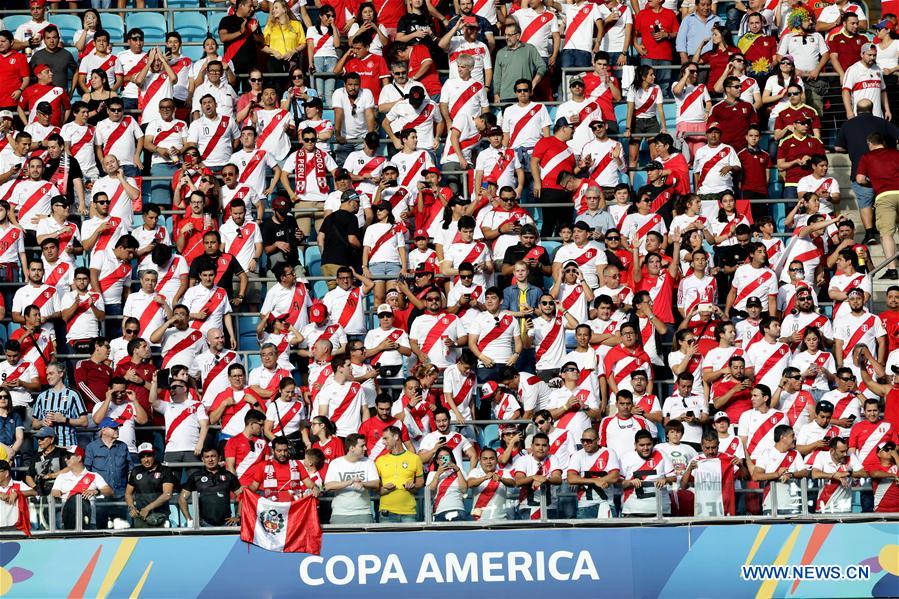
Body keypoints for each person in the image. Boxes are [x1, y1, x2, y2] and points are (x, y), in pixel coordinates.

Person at [856, 132, 899, 279]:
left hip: (884, 196)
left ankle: (892, 270)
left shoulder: (867, 157)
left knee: (886, 234)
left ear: (870, 143)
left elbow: (860, 179)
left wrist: (873, 183)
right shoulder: (896, 153)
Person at [51, 446, 114, 530]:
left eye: (68, 456)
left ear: (79, 457)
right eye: (65, 456)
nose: (65, 459)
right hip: (67, 521)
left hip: (89, 523)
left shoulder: (94, 476)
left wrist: (96, 491)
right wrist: (56, 494)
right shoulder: (61, 477)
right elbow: (54, 492)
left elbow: (109, 491)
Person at [323, 434, 380, 524]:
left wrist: (362, 483)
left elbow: (376, 483)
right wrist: (350, 481)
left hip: (364, 513)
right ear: (352, 448)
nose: (365, 448)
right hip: (340, 513)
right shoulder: (336, 463)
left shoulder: (368, 462)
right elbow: (328, 485)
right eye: (362, 446)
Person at [179, 446, 241, 527]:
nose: (210, 460)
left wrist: (238, 516)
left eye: (213, 456)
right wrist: (189, 519)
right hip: (204, 524)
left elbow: (242, 496)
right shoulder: (196, 476)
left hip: (226, 524)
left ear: (219, 458)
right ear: (202, 459)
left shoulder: (229, 476)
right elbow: (182, 498)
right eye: (207, 457)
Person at [566, 427, 620, 518]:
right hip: (584, 504)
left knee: (609, 532)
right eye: (583, 441)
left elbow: (614, 476)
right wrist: (595, 481)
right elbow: (571, 478)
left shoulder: (609, 452)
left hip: (606, 503)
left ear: (598, 440)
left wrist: (597, 480)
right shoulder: (577, 455)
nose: (585, 444)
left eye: (589, 441)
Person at [30, 362, 87, 448]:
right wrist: (42, 422)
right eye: (47, 374)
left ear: (61, 373)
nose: (48, 377)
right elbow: (34, 424)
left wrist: (64, 419)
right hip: (47, 447)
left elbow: (84, 422)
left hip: (68, 445)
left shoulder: (73, 394)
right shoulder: (42, 396)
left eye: (51, 373)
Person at [376, 426, 424, 522]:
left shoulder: (415, 458)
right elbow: (375, 488)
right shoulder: (380, 460)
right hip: (387, 513)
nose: (383, 442)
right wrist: (384, 489)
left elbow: (420, 482)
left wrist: (413, 486)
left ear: (396, 437)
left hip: (409, 513)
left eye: (386, 438)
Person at [249, 437, 320, 501]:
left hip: (294, 505)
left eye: (285, 450)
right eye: (279, 451)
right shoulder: (263, 465)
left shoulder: (297, 464)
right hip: (272, 504)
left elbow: (308, 482)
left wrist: (314, 487)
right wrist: (245, 489)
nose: (283, 453)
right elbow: (254, 486)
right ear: (273, 451)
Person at [125, 443, 176, 528]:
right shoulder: (135, 471)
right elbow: (128, 493)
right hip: (141, 516)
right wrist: (131, 507)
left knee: (161, 540)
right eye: (142, 457)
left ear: (154, 455)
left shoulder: (165, 470)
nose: (146, 460)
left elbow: (167, 494)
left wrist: (147, 508)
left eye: (148, 456)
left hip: (160, 515)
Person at [427, 445, 470, 521]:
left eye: (446, 457)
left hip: (458, 509)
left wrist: (458, 471)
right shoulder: (432, 474)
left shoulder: (461, 472)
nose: (444, 460)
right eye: (440, 457)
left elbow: (464, 490)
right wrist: (437, 474)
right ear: (437, 461)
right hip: (439, 511)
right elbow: (429, 492)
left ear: (451, 458)